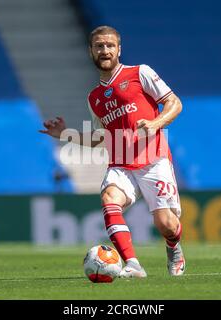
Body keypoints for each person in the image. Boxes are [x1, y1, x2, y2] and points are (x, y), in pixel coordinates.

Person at [40, 26, 185, 278]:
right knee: (109, 199)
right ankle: (133, 265)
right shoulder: (94, 97)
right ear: (91, 51)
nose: (104, 50)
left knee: (166, 225)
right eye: (99, 46)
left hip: (154, 160)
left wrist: (155, 123)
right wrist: (64, 134)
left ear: (119, 49)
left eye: (110, 45)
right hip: (120, 164)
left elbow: (175, 103)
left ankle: (174, 247)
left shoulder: (141, 73)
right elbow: (98, 138)